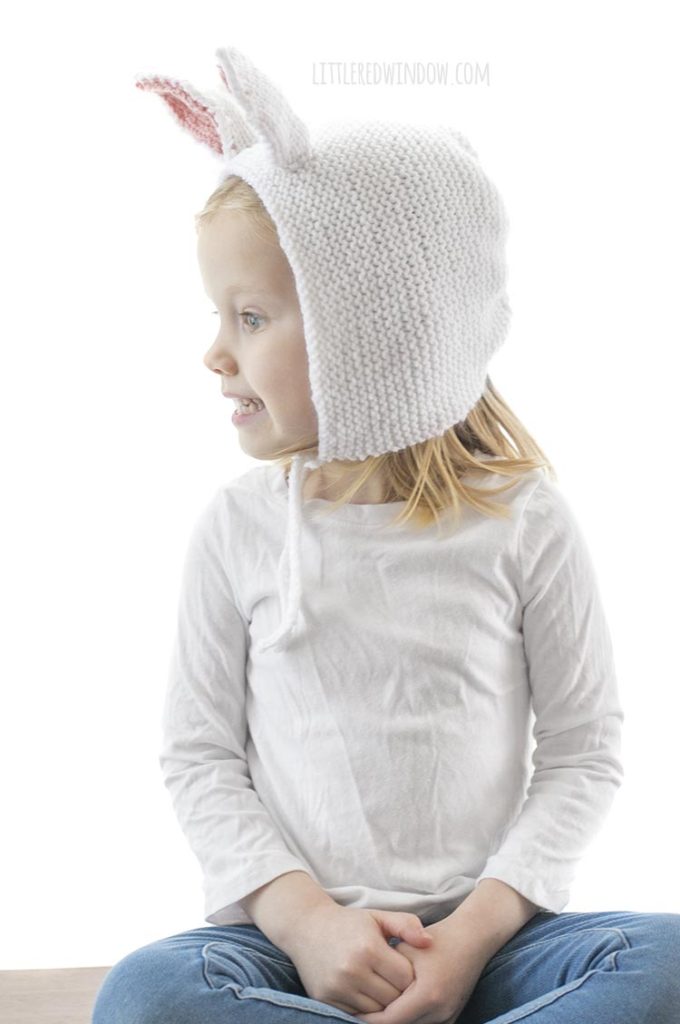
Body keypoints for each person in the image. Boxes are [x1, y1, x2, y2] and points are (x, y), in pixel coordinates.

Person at [91, 45, 680, 1024]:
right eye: (218, 314)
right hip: (286, 945)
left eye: (249, 316)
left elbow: (581, 750)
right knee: (150, 990)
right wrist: (306, 921)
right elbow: (199, 755)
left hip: (489, 944)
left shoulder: (520, 519)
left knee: (665, 961)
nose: (212, 352)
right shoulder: (234, 530)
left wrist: (472, 934)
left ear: (370, 336)